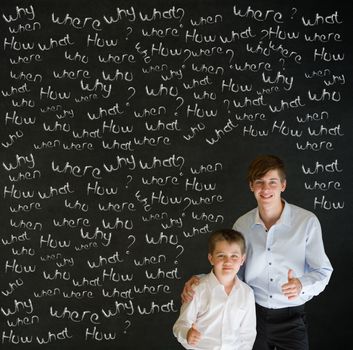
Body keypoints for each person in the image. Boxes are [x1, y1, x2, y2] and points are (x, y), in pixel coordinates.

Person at [182, 155, 333, 350]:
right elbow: (233, 268)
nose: (266, 189)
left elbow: (323, 271)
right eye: (259, 182)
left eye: (272, 182)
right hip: (252, 315)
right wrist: (201, 279)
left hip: (292, 317)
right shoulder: (242, 225)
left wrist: (300, 285)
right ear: (251, 186)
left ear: (283, 185)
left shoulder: (306, 222)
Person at [173, 229, 256, 350]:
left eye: (234, 256)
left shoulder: (247, 293)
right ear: (211, 258)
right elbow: (180, 325)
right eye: (221, 255)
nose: (228, 261)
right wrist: (187, 334)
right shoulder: (198, 289)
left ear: (242, 260)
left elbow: (248, 333)